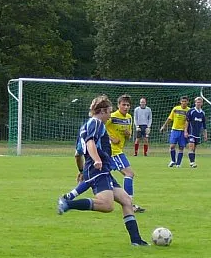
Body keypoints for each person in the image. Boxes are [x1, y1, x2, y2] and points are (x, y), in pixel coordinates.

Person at [57, 95, 149, 246]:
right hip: (98, 169)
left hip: (99, 169)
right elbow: (91, 142)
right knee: (107, 206)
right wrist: (97, 159)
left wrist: (82, 170)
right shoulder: (97, 123)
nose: (110, 116)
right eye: (109, 112)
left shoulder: (86, 125)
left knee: (126, 201)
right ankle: (67, 203)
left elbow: (78, 152)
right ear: (103, 111)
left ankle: (136, 241)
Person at [105, 94, 145, 212]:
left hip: (118, 150)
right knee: (129, 173)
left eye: (128, 105)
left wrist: (128, 134)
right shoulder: (111, 117)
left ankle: (70, 196)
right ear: (118, 105)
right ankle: (129, 204)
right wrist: (111, 138)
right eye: (123, 105)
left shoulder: (129, 118)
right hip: (112, 151)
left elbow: (128, 136)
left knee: (102, 177)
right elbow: (99, 127)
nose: (126, 107)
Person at [159, 96, 190, 167]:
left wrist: (187, 131)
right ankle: (173, 160)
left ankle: (178, 163)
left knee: (181, 147)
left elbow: (189, 122)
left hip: (183, 131)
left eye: (185, 101)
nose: (184, 103)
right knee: (172, 146)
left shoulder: (189, 110)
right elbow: (170, 118)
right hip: (175, 130)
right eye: (182, 101)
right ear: (180, 102)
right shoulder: (175, 109)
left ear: (187, 102)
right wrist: (164, 126)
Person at [184, 97, 208, 168]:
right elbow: (187, 121)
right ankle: (192, 162)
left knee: (194, 148)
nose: (198, 103)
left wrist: (205, 134)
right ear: (195, 103)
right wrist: (185, 131)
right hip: (191, 133)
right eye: (197, 102)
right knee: (191, 146)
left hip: (197, 134)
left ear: (202, 103)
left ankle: (192, 162)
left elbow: (204, 125)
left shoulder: (202, 113)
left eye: (200, 102)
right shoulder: (191, 111)